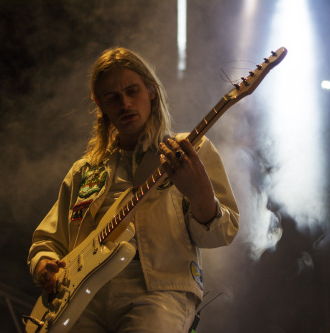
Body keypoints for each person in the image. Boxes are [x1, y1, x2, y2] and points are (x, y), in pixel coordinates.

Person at [27, 46, 239, 333]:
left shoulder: (190, 149)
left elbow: (221, 233)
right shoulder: (83, 170)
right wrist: (43, 264)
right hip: (80, 299)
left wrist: (201, 196)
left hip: (159, 289)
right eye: (113, 98)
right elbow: (47, 240)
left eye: (132, 91)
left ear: (151, 90)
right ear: (99, 103)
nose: (125, 103)